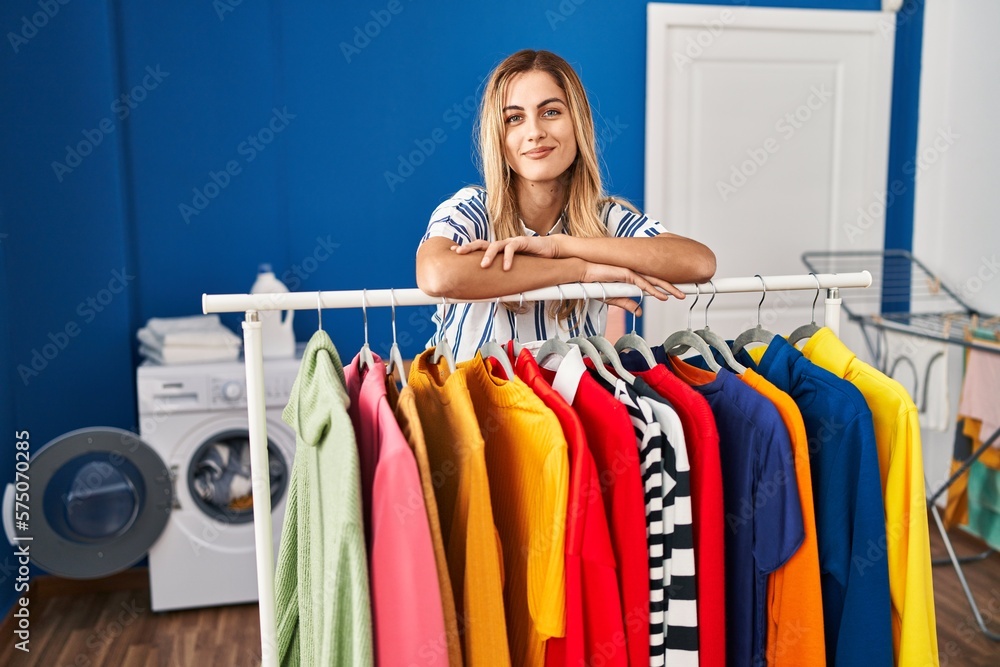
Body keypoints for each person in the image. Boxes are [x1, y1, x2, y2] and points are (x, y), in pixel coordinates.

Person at [416, 49, 716, 361]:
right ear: (498, 136)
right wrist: (578, 269)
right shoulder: (472, 209)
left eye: (550, 112)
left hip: (569, 405)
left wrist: (561, 245)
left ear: (578, 123)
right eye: (514, 118)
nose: (535, 132)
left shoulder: (605, 218)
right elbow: (438, 275)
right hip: (472, 405)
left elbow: (699, 262)